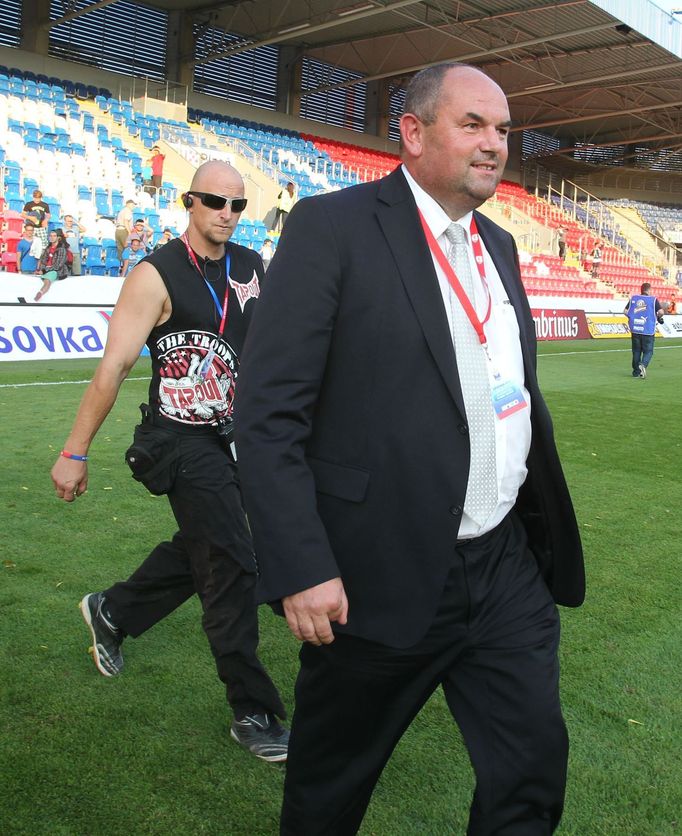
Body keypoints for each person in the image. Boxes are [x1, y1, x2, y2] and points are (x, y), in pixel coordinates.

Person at [234, 63, 585, 834]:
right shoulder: (334, 226)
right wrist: (302, 564)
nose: (494, 144)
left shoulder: (497, 243)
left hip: (502, 569)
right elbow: (266, 414)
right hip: (374, 572)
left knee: (529, 771)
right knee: (331, 792)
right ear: (414, 132)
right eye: (473, 125)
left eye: (501, 129)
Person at [50, 161, 289, 763]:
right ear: (190, 202)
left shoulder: (251, 267)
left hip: (236, 436)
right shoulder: (154, 274)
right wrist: (74, 452)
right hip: (179, 441)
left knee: (208, 543)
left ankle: (113, 610)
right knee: (233, 560)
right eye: (215, 202)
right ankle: (251, 707)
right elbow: (113, 368)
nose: (228, 214)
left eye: (237, 205)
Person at [624, 281, 664, 378]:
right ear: (649, 290)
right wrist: (658, 317)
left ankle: (636, 372)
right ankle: (643, 364)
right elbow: (661, 312)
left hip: (636, 329)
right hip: (648, 330)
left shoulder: (634, 298)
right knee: (648, 351)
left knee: (636, 351)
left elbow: (625, 311)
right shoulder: (653, 300)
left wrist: (632, 318)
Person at [34, 228, 70, 301]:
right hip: (46, 269)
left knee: (47, 280)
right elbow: (43, 260)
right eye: (50, 236)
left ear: (58, 238)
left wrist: (44, 271)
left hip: (56, 271)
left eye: (54, 236)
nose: (52, 237)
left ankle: (40, 293)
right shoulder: (48, 248)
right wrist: (40, 269)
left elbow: (58, 265)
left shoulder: (62, 249)